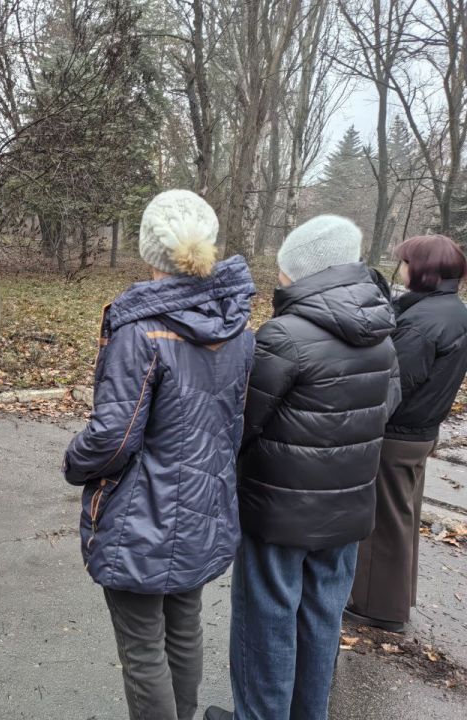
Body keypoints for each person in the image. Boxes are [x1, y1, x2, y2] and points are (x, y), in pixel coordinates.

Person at [63, 190, 257, 720]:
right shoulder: (238, 326)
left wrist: (74, 463)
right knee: (184, 626)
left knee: (143, 645)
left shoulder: (141, 329)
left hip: (140, 515)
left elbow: (112, 437)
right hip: (204, 506)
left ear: (151, 251)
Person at [205, 216, 400, 720]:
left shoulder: (284, 336)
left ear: (303, 270)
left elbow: (241, 422)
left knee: (265, 619)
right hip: (349, 507)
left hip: (279, 510)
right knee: (321, 619)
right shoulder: (381, 330)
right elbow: (388, 405)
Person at [347, 234, 467, 633]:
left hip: (399, 433)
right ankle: (396, 596)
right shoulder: (451, 310)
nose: (400, 269)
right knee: (404, 514)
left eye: (405, 263)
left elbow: (394, 383)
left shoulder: (424, 323)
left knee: (385, 519)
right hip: (421, 430)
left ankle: (377, 607)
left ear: (423, 271)